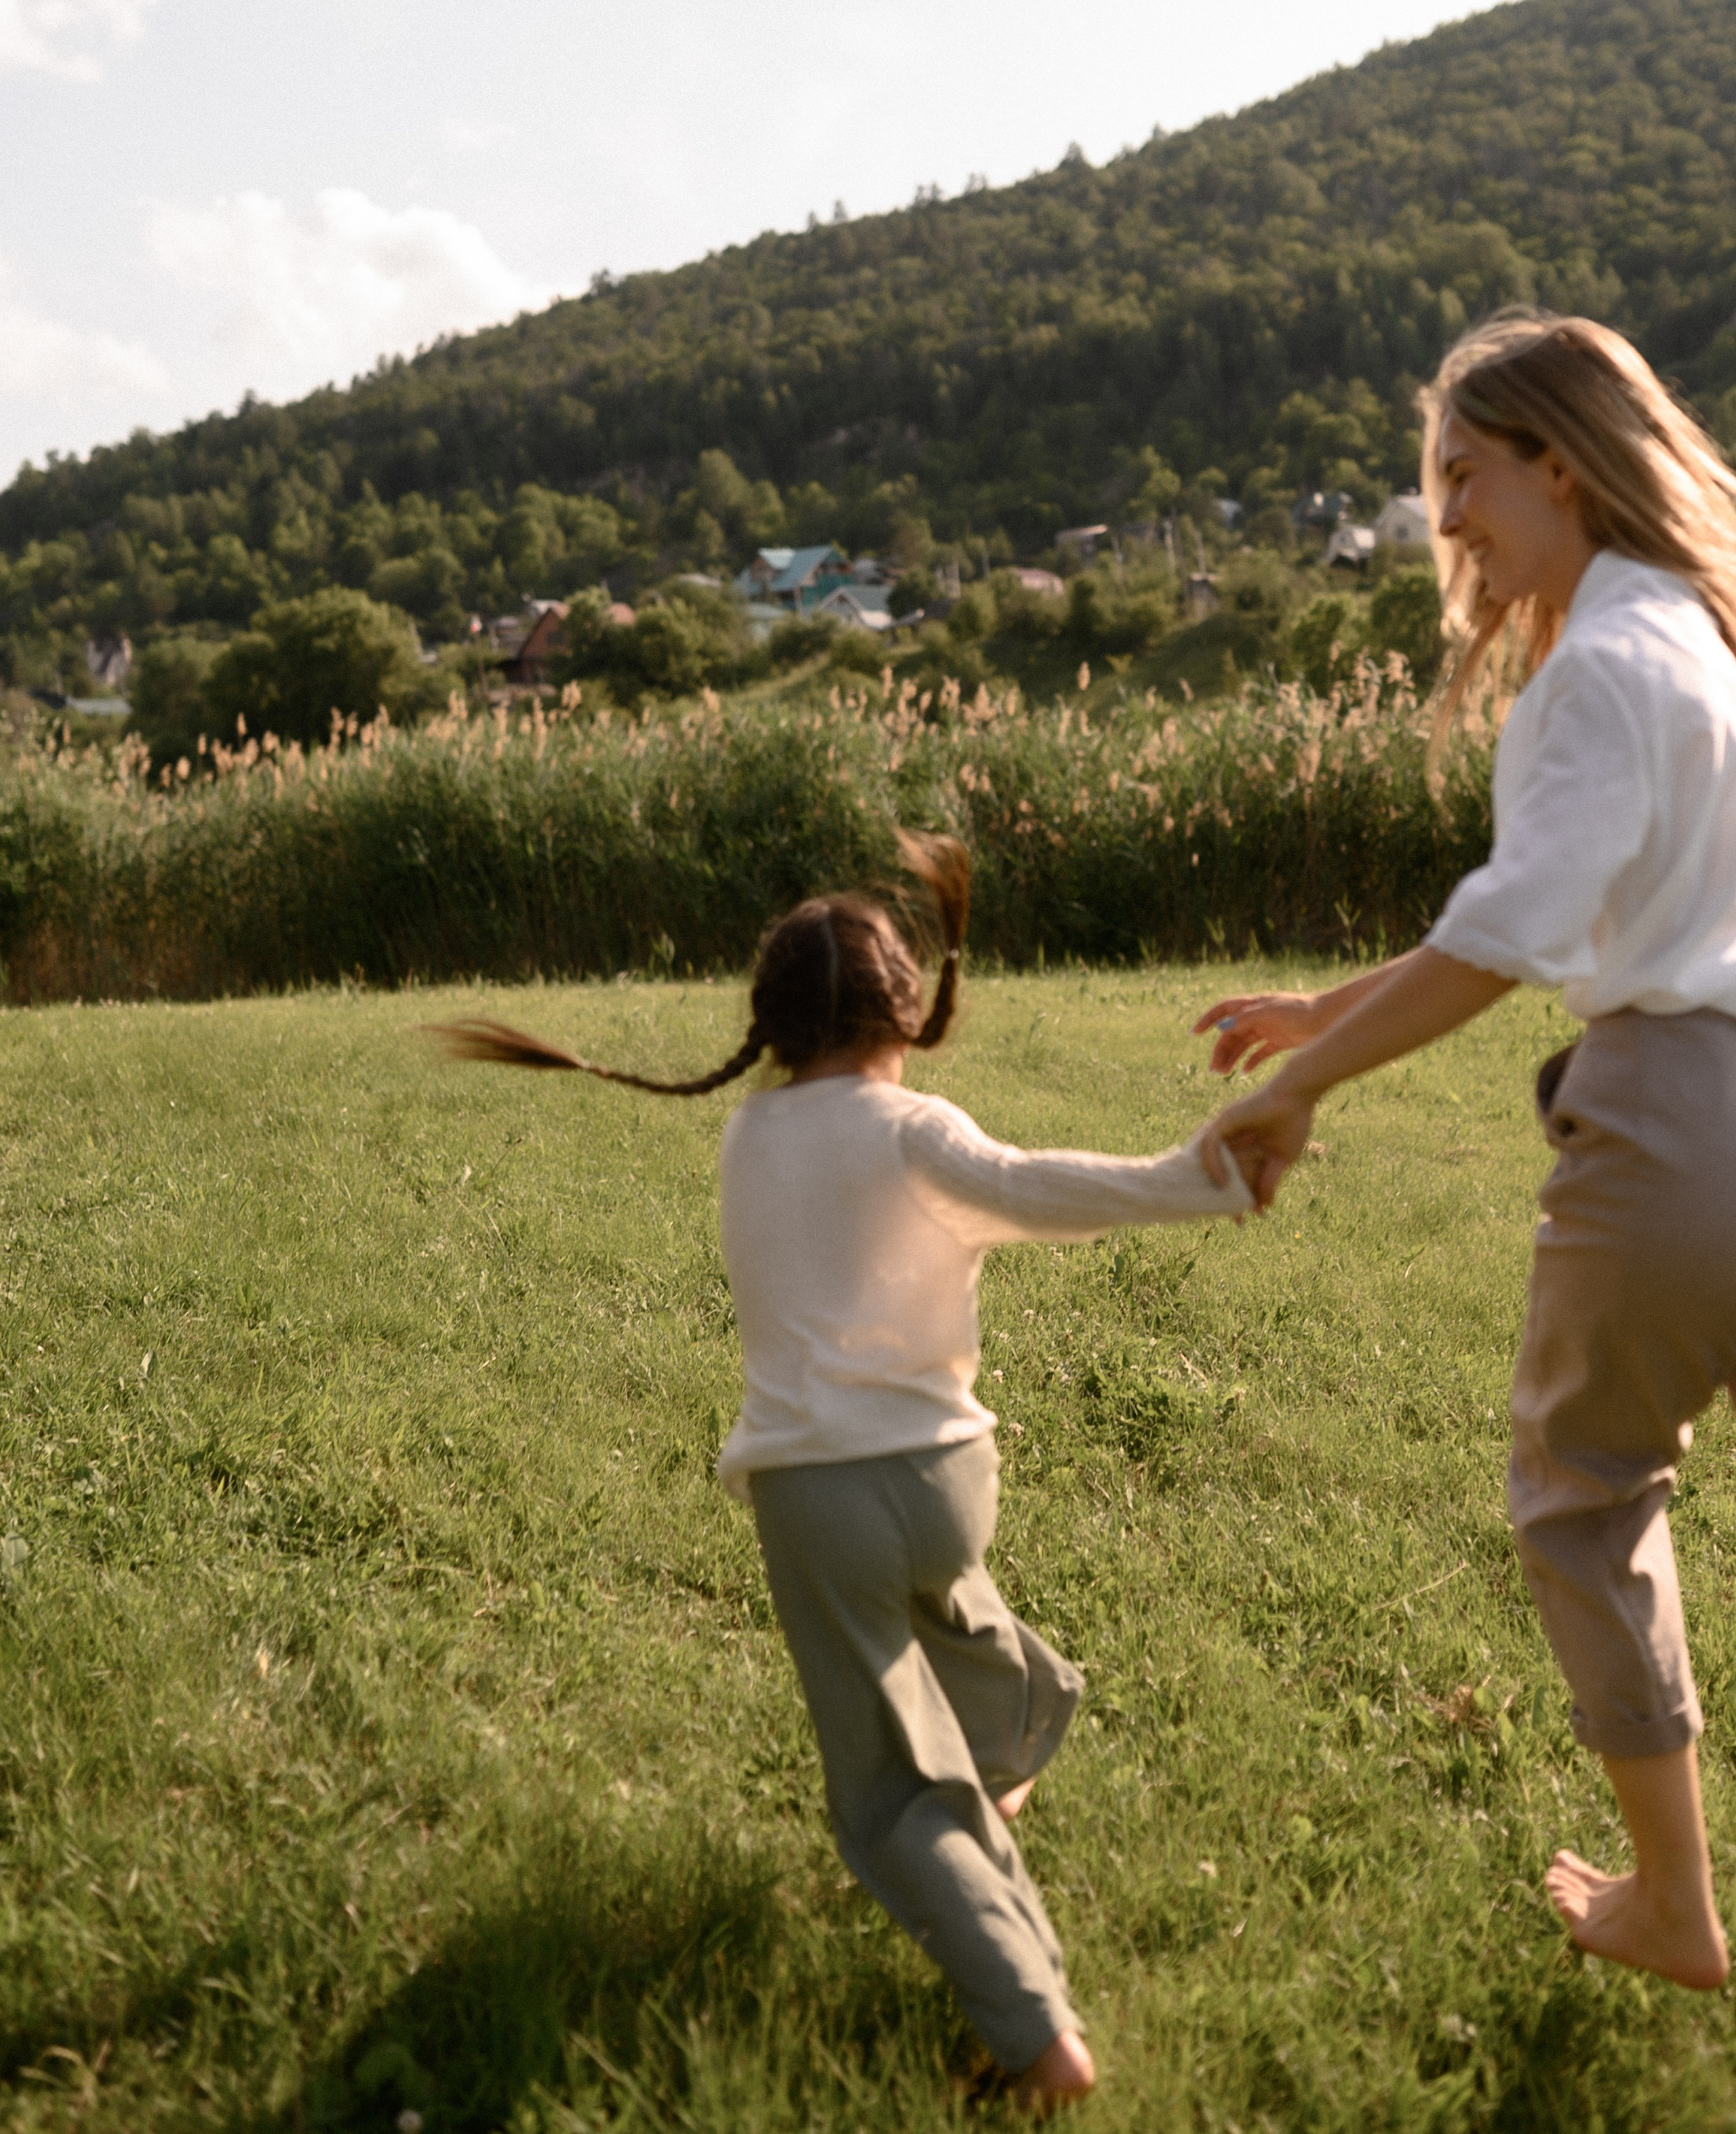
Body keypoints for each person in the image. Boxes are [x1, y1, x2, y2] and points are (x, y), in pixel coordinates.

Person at [435, 834, 1249, 2114]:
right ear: (907, 1012)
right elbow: (1040, 1190)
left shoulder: (751, 1138)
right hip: (945, 1482)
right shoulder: (919, 1131)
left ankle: (1038, 2039)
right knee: (952, 1619)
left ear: (771, 1027)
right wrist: (1206, 1177)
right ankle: (1022, 1728)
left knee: (888, 1791)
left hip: (819, 1498)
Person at [1196, 309, 1736, 1993]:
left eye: (1460, 475)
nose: (1443, 521)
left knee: (1581, 1492)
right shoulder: (1700, 641)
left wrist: (1301, 1085)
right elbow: (1568, 910)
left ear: (1557, 462)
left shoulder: (1594, 673)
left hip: (1671, 1122)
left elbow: (1510, 941)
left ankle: (1669, 1903)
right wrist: (1326, 1003)